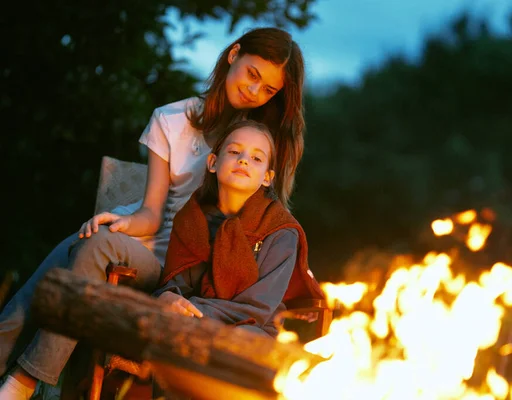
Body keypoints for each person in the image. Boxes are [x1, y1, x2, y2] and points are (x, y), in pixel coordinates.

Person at [0, 26, 306, 400]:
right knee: (80, 249)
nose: (254, 92)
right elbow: (151, 212)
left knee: (82, 252)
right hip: (147, 242)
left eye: (269, 89)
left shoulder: (259, 141)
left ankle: (22, 382)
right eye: (252, 75)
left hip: (184, 266)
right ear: (233, 55)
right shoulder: (171, 119)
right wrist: (123, 221)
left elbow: (264, 224)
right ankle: (21, 381)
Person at [155, 120, 323, 337]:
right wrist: (166, 296)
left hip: (252, 329)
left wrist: (198, 313)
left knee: (243, 338)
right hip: (189, 323)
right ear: (213, 163)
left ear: (267, 178)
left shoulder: (281, 231)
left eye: (256, 158)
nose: (243, 160)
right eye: (235, 151)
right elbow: (173, 285)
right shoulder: (191, 220)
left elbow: (258, 307)